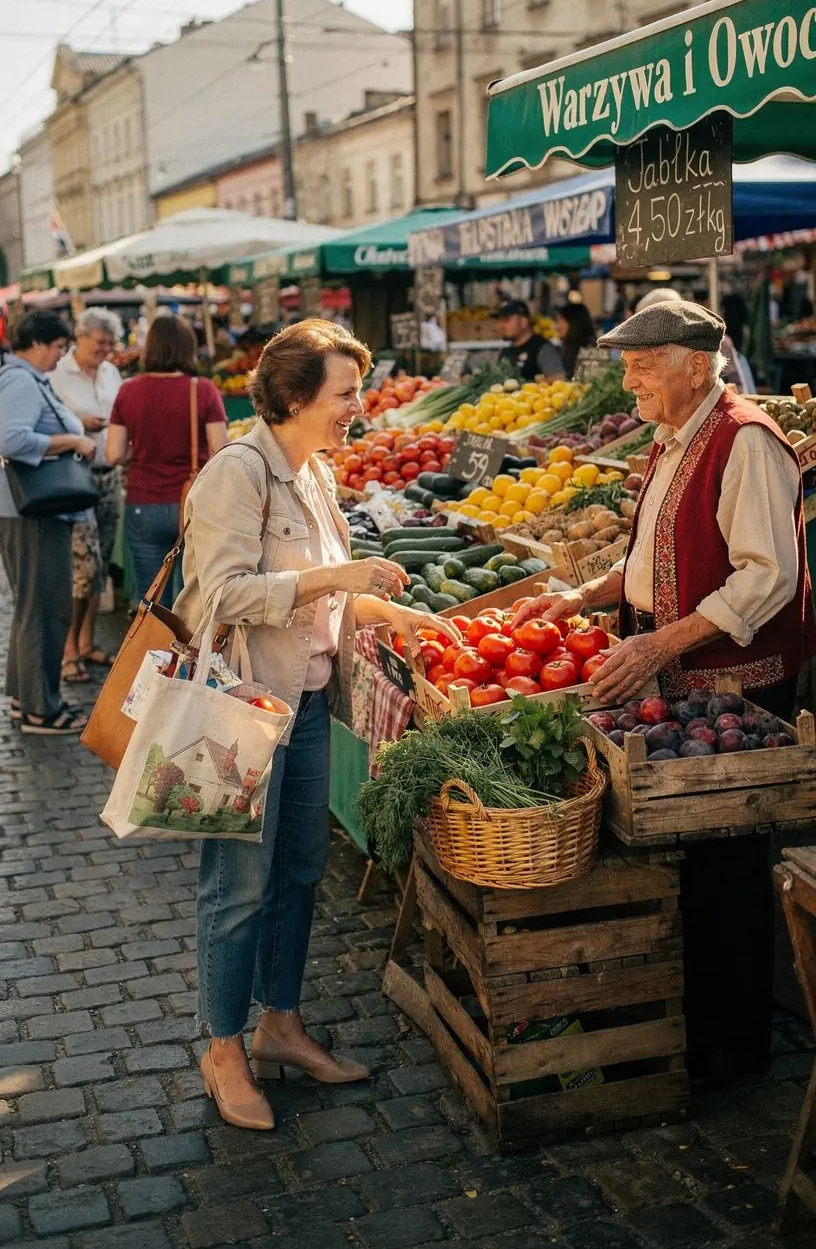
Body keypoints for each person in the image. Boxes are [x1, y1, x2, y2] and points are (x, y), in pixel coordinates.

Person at [512, 298, 816, 1089]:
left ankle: (733, 1055)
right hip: (679, 680)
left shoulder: (746, 441)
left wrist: (661, 642)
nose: (627, 379)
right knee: (690, 872)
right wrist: (584, 600)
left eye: (641, 364)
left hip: (734, 693)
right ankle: (694, 1034)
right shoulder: (672, 437)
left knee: (728, 875)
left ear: (692, 364)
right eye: (626, 363)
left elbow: (770, 578)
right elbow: (654, 555)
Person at [174, 319, 461, 1130]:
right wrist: (338, 573)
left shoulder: (315, 475)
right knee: (237, 888)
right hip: (242, 711)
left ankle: (281, 1025)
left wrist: (387, 609)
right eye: (345, 394)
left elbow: (324, 599)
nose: (358, 407)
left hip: (305, 709)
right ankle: (223, 1050)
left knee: (299, 873)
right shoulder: (238, 473)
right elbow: (216, 597)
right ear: (295, 396)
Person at [0, 311, 96, 734]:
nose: (61, 356)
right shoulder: (20, 380)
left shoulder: (24, 379)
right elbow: (11, 438)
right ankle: (42, 710)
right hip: (36, 512)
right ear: (37, 343)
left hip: (33, 511)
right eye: (58, 347)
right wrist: (72, 440)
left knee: (32, 607)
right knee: (44, 609)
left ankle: (29, 700)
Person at [106, 314, 227, 604]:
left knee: (150, 602)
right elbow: (221, 453)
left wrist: (143, 447)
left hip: (143, 503)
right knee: (190, 601)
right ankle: (183, 651)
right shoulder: (203, 389)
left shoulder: (128, 390)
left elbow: (113, 454)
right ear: (187, 348)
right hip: (191, 506)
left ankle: (150, 650)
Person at [51, 308, 124, 682]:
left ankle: (86, 641)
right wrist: (80, 424)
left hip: (109, 477)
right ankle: (67, 650)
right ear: (81, 336)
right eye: (100, 343)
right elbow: (46, 424)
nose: (106, 350)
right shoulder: (56, 375)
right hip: (74, 477)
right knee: (84, 567)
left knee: (102, 565)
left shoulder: (111, 372)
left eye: (111, 344)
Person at [493, 298, 564, 381]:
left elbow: (558, 379)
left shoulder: (541, 348)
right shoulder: (506, 351)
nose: (500, 326)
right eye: (499, 321)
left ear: (523, 321)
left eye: (506, 320)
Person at [556, 298, 596, 378]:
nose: (557, 327)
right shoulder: (568, 349)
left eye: (560, 320)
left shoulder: (579, 353)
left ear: (573, 323)